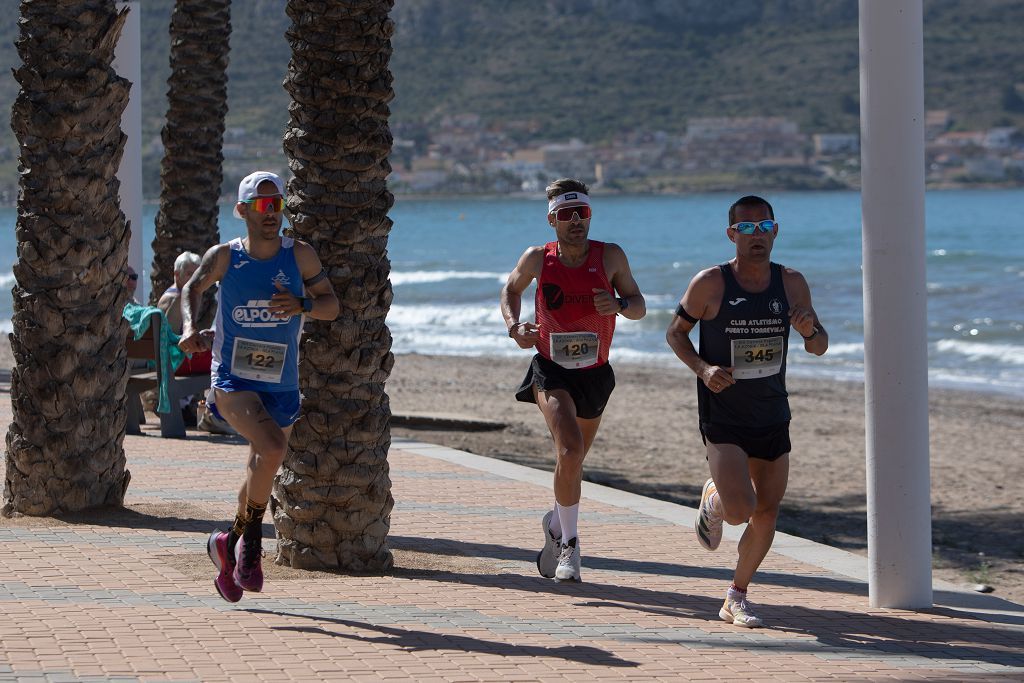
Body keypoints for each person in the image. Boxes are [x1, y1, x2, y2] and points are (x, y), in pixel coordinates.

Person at [666, 195, 828, 628]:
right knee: (740, 510)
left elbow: (819, 346)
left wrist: (810, 329)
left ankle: (735, 595)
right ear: (732, 233)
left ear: (775, 230)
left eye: (764, 227)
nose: (757, 236)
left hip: (773, 412)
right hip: (724, 413)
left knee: (768, 512)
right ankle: (716, 498)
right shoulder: (711, 283)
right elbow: (675, 333)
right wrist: (703, 368)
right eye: (747, 228)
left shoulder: (791, 283)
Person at [178, 170, 339, 602]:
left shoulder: (299, 255)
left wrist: (302, 303)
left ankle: (225, 546)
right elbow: (191, 289)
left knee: (261, 466)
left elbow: (331, 306)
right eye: (264, 206)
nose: (272, 214)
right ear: (243, 210)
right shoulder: (226, 256)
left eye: (278, 205)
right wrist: (191, 327)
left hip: (281, 382)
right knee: (271, 449)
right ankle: (252, 544)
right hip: (232, 377)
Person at [500, 178, 646, 583]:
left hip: (596, 374)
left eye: (582, 213)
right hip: (551, 369)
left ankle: (555, 526)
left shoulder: (610, 256)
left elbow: (639, 307)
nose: (576, 221)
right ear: (553, 220)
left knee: (575, 459)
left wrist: (617, 304)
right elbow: (510, 290)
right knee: (569, 448)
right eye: (567, 215)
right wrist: (516, 328)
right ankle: (570, 547)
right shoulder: (537, 258)